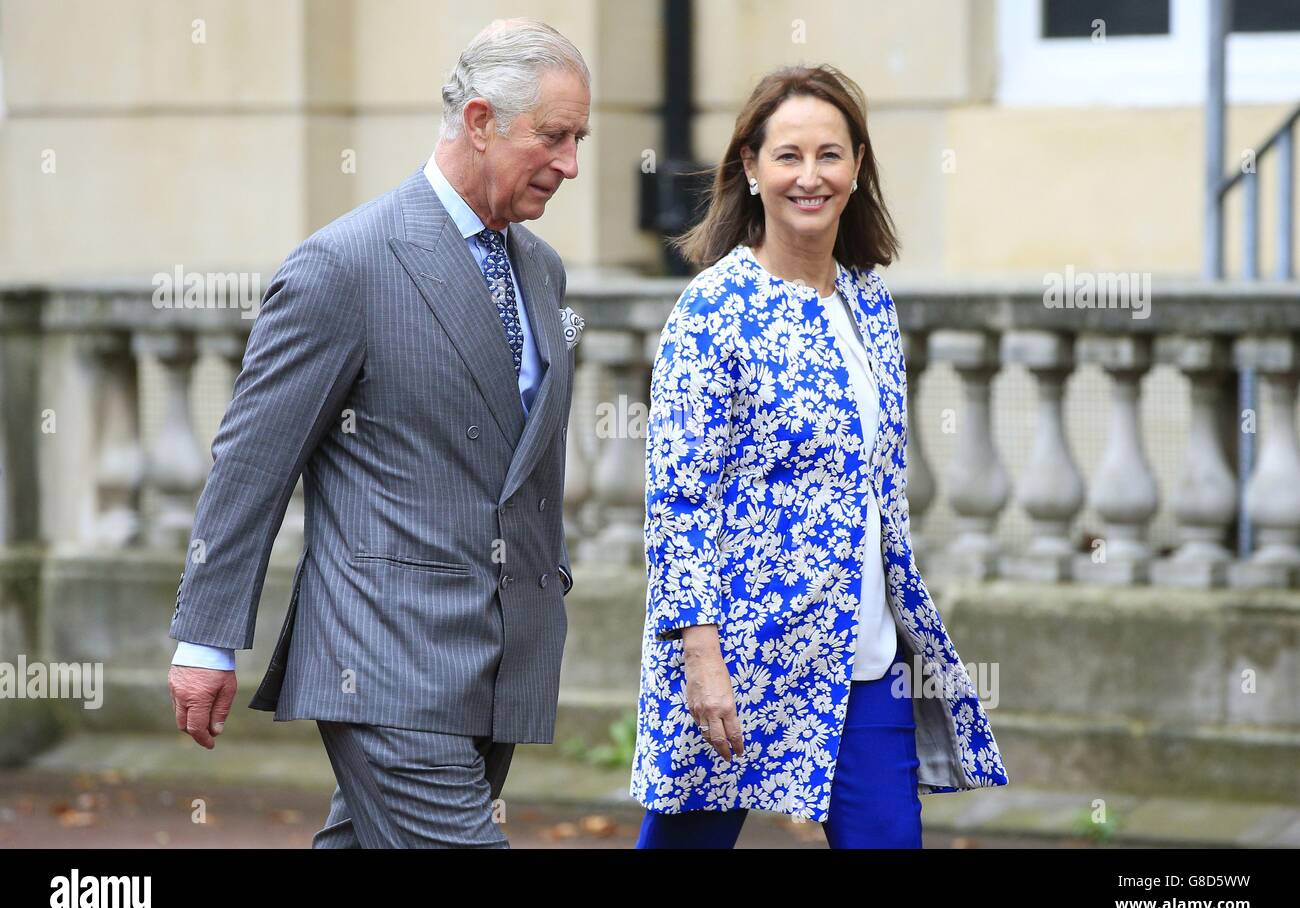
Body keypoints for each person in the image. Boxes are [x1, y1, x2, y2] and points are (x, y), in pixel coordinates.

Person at [165, 18, 590, 848]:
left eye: (579, 139)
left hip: (501, 656)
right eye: (553, 137)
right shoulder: (344, 265)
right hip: (385, 661)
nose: (571, 163)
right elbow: (251, 462)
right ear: (478, 121)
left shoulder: (542, 269)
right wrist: (206, 639)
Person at [632, 64, 1008, 849]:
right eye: (788, 156)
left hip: (864, 657)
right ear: (750, 166)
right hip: (741, 654)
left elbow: (880, 485)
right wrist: (700, 658)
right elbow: (680, 498)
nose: (810, 177)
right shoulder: (711, 310)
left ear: (859, 165)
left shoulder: (870, 300)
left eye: (830, 155)